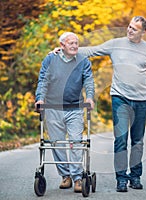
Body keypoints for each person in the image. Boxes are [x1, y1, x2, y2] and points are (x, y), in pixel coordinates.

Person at [76, 16, 146, 192]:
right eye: (129, 27)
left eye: (134, 29)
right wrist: (67, 50)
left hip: (140, 100)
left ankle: (136, 176)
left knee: (137, 141)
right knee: (121, 139)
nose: (130, 30)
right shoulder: (116, 44)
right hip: (120, 98)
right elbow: (92, 51)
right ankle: (121, 178)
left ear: (143, 32)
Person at [35, 32, 95, 193]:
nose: (75, 46)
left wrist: (89, 97)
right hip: (53, 108)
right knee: (56, 143)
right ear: (62, 46)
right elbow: (43, 80)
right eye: (71, 43)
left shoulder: (83, 61)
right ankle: (65, 176)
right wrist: (40, 98)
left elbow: (88, 80)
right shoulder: (50, 59)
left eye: (76, 43)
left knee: (75, 142)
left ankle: (77, 178)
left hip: (74, 108)